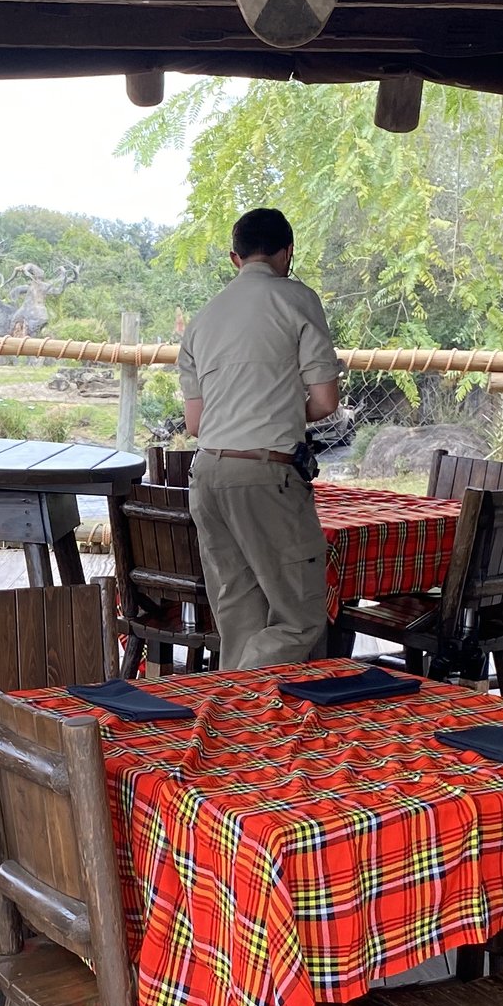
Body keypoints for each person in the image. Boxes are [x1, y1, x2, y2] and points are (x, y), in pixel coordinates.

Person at [176, 206, 343, 668]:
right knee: (300, 618)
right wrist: (283, 409)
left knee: (239, 620)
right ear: (286, 253)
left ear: (235, 258)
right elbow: (326, 402)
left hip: (207, 475)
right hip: (266, 474)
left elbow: (196, 425)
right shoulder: (295, 298)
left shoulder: (203, 318)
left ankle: (232, 724)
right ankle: (238, 692)